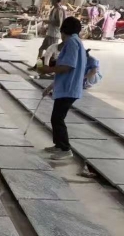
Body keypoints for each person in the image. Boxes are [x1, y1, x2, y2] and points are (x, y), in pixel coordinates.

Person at [37, 16, 87, 161]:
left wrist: (47, 69)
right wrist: (50, 86)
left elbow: (67, 67)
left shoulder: (71, 42)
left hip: (69, 88)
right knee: (56, 118)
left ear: (63, 30)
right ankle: (59, 145)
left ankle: (65, 149)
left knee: (57, 118)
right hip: (68, 86)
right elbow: (66, 70)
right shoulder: (77, 41)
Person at [34, 0, 65, 68]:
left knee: (51, 54)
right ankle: (38, 66)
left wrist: (48, 21)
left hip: (54, 35)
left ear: (56, 0)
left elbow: (59, 23)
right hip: (50, 33)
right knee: (41, 49)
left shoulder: (59, 10)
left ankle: (48, 68)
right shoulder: (54, 9)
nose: (51, 0)